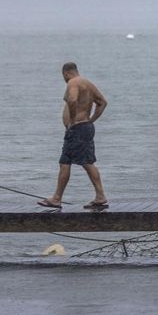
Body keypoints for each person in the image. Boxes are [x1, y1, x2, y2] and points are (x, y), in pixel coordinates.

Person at [38, 62, 109, 210]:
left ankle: (60, 198)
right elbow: (102, 102)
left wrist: (72, 120)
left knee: (81, 162)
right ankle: (60, 198)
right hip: (84, 127)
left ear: (66, 73)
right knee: (72, 161)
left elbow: (72, 100)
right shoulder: (88, 84)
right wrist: (91, 120)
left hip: (77, 129)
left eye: (63, 76)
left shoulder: (73, 82)